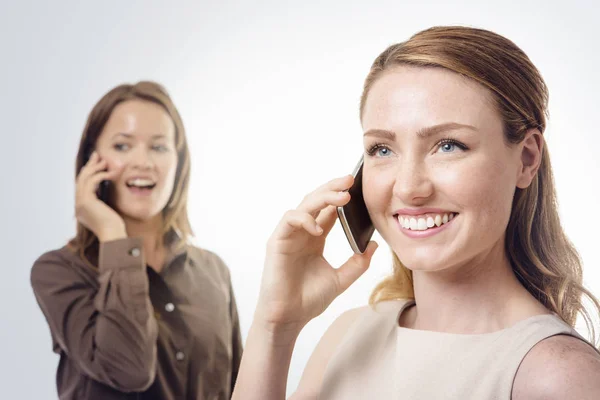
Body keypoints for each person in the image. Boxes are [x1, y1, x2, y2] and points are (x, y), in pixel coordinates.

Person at [231, 26, 600, 399]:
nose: (408, 187)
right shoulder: (349, 335)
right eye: (382, 150)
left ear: (526, 158)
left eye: (449, 145)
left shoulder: (559, 376)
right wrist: (275, 325)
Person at [31, 81, 242, 400]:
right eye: (122, 146)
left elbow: (242, 387)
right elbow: (129, 370)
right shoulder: (59, 271)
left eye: (158, 147)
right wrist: (113, 235)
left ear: (179, 162)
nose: (143, 162)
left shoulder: (213, 271)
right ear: (92, 160)